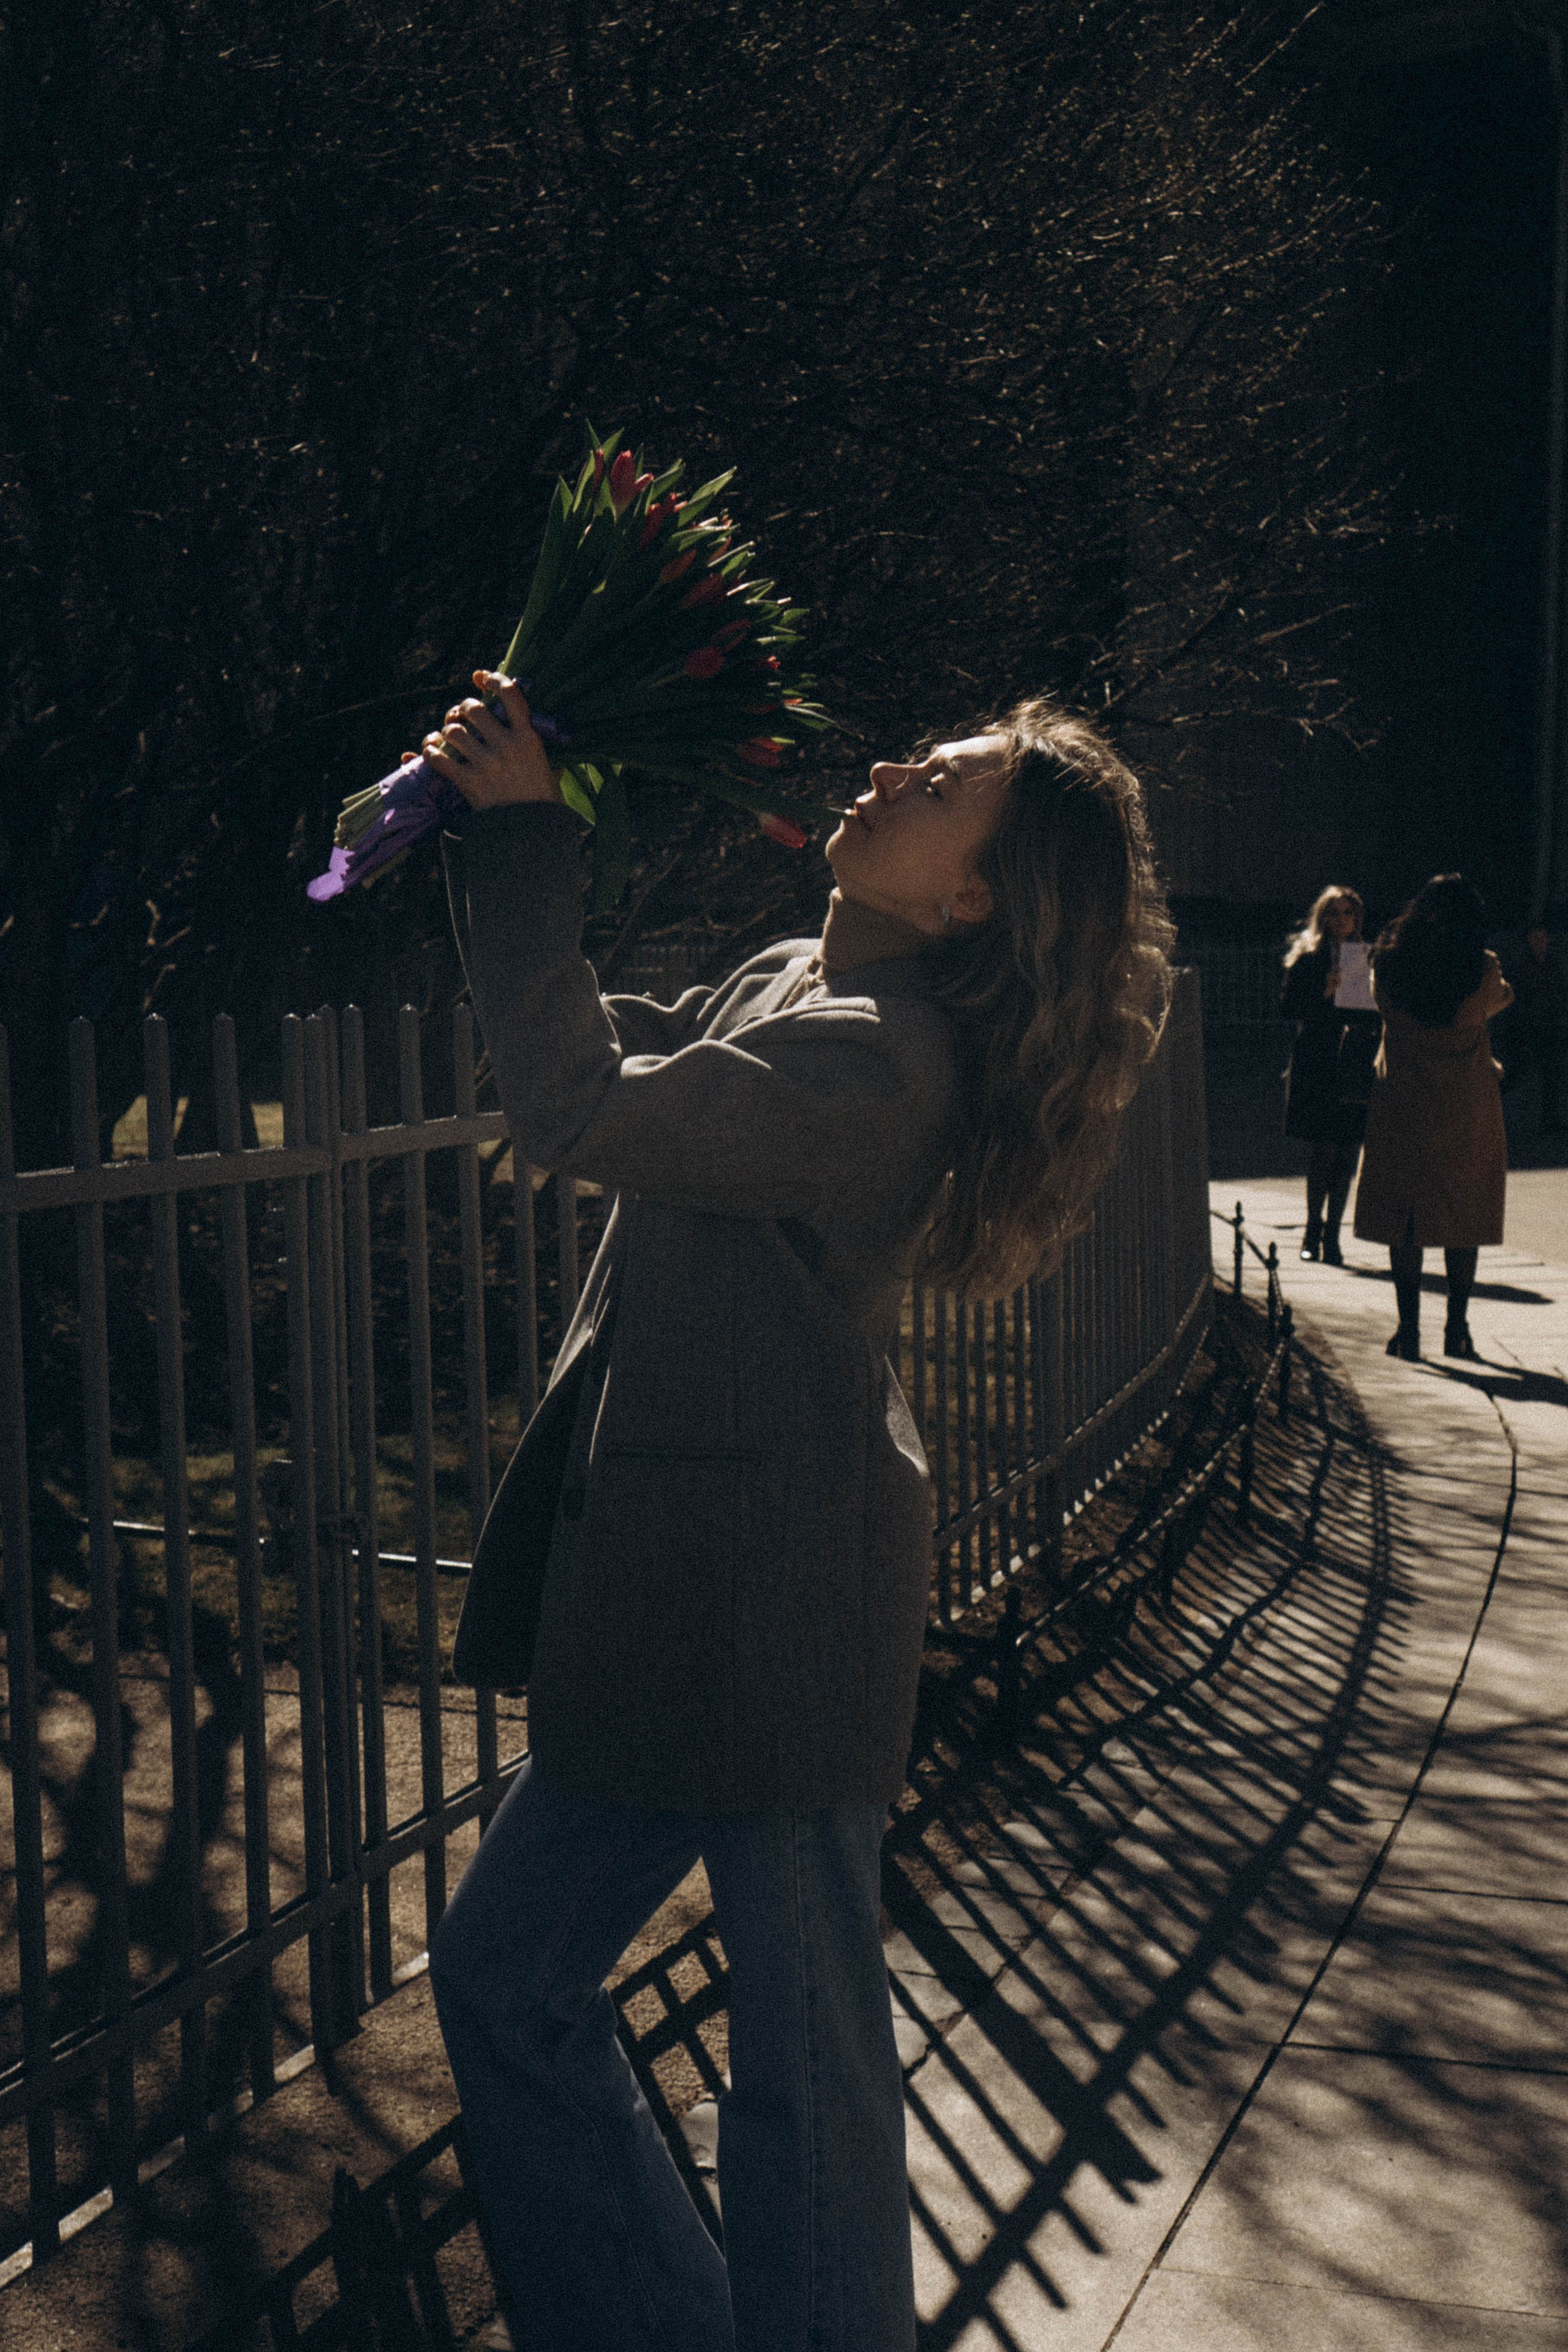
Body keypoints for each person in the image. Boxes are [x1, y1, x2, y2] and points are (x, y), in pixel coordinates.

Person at [415, 668, 1174, 2352]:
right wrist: (522, 812)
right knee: (506, 1982)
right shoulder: (796, 979)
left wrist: (532, 838)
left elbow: (575, 1110)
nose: (896, 767)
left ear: (974, 893)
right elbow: (612, 1062)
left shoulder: (882, 1065)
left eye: (944, 784)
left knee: (805, 2083)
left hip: (774, 1604)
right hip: (688, 1584)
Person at [1353, 874, 1513, 1360]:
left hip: (1403, 1103)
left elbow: (1376, 1003)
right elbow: (1500, 999)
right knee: (1464, 1216)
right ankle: (1457, 1329)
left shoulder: (1390, 965)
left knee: (1405, 1217)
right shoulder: (1481, 970)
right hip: (1467, 1106)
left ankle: (1409, 1331)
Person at [1280, 884, 1381, 1263]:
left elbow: (1374, 1012)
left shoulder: (1367, 956)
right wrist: (1324, 991)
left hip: (1355, 1059)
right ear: (1324, 917)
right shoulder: (1309, 958)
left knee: (1348, 1153)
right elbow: (1289, 1008)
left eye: (1349, 913)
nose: (1342, 920)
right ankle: (1311, 1230)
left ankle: (1334, 1235)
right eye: (1335, 913)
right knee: (1324, 1150)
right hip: (1319, 1060)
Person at [1507, 922, 1566, 1136]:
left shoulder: (1552, 964)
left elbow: (1560, 993)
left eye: (1543, 937)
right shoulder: (1522, 966)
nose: (1540, 941)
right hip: (1527, 1028)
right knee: (1515, 1073)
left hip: (1549, 1027)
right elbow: (1515, 998)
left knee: (1551, 1075)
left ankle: (1551, 1122)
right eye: (1535, 937)